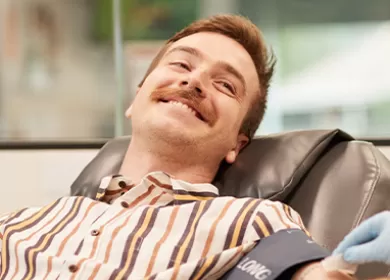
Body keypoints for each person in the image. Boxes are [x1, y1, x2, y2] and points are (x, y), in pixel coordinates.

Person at [0, 14, 354, 280]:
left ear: (237, 143)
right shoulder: (19, 225)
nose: (195, 80)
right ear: (136, 98)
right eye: (182, 64)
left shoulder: (256, 221)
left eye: (226, 85)